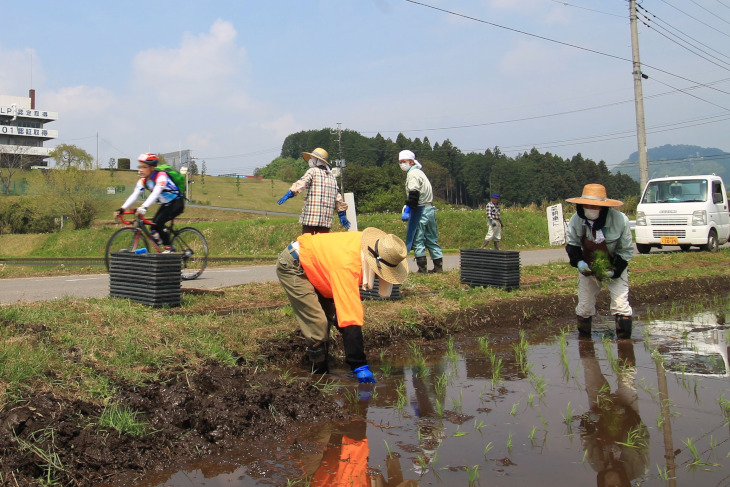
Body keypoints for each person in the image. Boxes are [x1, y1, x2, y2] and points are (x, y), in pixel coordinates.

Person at [276, 227, 409, 381]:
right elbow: (350, 316)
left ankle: (323, 362)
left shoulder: (369, 248)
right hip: (294, 266)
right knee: (318, 324)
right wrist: (359, 365)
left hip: (319, 266)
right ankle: (319, 375)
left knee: (333, 315)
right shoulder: (348, 265)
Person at [565, 184, 634, 338]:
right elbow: (572, 245)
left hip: (615, 265)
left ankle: (624, 348)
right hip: (588, 267)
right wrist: (579, 263)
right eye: (587, 205)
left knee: (621, 305)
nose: (590, 208)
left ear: (603, 207)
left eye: (595, 206)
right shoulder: (577, 221)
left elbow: (626, 251)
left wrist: (615, 270)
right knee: (584, 307)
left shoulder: (620, 220)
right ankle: (585, 343)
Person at [579, 339, 648, 486]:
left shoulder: (596, 464)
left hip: (600, 415)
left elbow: (585, 437)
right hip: (628, 416)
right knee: (627, 378)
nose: (612, 484)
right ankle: (624, 338)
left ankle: (584, 336)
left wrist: (591, 418)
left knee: (590, 373)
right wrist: (626, 414)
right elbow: (642, 436)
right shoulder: (639, 468)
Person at [114, 153, 185, 251]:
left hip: (177, 202)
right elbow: (135, 195)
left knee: (159, 223)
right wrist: (122, 208)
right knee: (153, 227)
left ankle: (169, 247)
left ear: (152, 168)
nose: (141, 170)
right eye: (140, 167)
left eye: (144, 167)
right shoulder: (143, 180)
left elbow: (155, 193)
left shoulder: (161, 176)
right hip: (166, 204)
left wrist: (144, 207)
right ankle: (159, 246)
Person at [276, 147, 350, 234]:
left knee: (307, 242)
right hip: (326, 220)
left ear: (317, 160)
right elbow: (338, 198)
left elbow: (301, 184)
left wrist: (289, 194)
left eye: (312, 158)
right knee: (321, 245)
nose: (310, 160)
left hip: (311, 217)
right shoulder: (332, 177)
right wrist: (342, 215)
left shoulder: (312, 171)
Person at [398, 150, 443, 273]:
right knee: (432, 239)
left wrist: (407, 210)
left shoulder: (412, 175)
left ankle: (422, 269)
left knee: (418, 239)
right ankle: (439, 267)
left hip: (420, 210)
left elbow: (414, 194)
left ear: (411, 162)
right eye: (400, 162)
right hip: (430, 209)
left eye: (404, 161)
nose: (402, 164)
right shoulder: (420, 172)